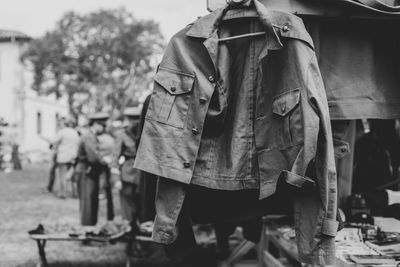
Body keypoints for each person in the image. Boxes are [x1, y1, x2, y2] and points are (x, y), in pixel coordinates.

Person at [76, 112, 113, 225]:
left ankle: (91, 226)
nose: (103, 128)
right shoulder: (89, 136)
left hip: (91, 170)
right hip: (86, 170)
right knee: (88, 201)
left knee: (92, 199)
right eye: (102, 125)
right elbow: (92, 156)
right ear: (96, 124)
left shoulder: (92, 136)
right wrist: (105, 161)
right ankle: (87, 229)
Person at [111, 107, 141, 228]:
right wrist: (116, 179)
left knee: (141, 205)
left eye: (137, 119)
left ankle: (140, 232)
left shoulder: (146, 133)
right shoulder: (122, 135)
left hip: (143, 175)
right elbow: (114, 159)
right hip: (127, 174)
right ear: (128, 120)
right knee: (127, 205)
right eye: (132, 119)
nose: (135, 122)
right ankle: (129, 232)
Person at [52, 117, 80, 198]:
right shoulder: (75, 133)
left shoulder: (62, 132)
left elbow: (54, 141)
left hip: (63, 157)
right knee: (73, 176)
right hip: (73, 156)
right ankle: (75, 193)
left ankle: (63, 193)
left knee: (62, 175)